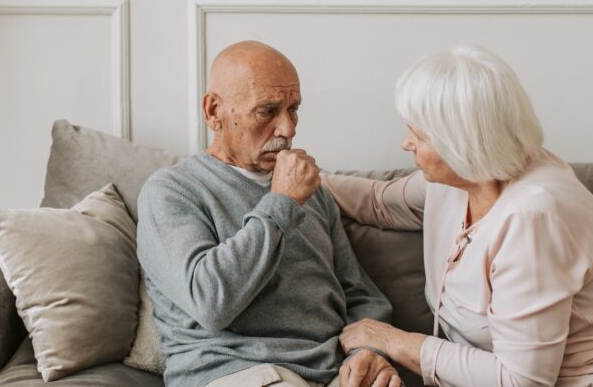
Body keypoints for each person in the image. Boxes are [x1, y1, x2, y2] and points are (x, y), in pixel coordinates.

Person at [322, 45, 593, 387]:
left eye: (418, 133)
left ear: (459, 142)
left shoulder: (534, 215)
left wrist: (393, 341)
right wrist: (295, 178)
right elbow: (378, 202)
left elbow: (521, 381)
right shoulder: (457, 181)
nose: (406, 143)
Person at [137, 40, 400, 387]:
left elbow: (360, 294)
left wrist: (368, 352)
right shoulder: (172, 191)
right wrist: (282, 203)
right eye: (268, 111)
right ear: (214, 111)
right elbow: (211, 302)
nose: (288, 129)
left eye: (294, 110)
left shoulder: (312, 191)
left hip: (333, 372)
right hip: (241, 371)